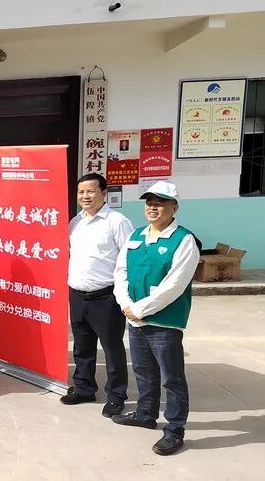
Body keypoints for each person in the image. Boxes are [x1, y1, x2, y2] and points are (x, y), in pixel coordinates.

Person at [112, 181, 199, 456]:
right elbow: (120, 272)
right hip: (134, 318)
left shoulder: (184, 240)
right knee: (143, 371)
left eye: (160, 203)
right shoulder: (136, 235)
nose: (153, 207)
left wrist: (140, 309)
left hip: (164, 322)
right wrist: (125, 303)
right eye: (149, 202)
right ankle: (145, 413)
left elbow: (175, 285)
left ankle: (174, 429)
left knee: (172, 378)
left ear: (174, 207)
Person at [61, 173, 134, 416]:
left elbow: (129, 259)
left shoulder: (117, 222)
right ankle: (84, 387)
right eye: (81, 192)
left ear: (103, 193)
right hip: (77, 294)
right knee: (82, 346)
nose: (85, 196)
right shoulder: (75, 222)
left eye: (90, 191)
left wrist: (125, 296)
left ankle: (116, 395)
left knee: (112, 348)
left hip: (106, 297)